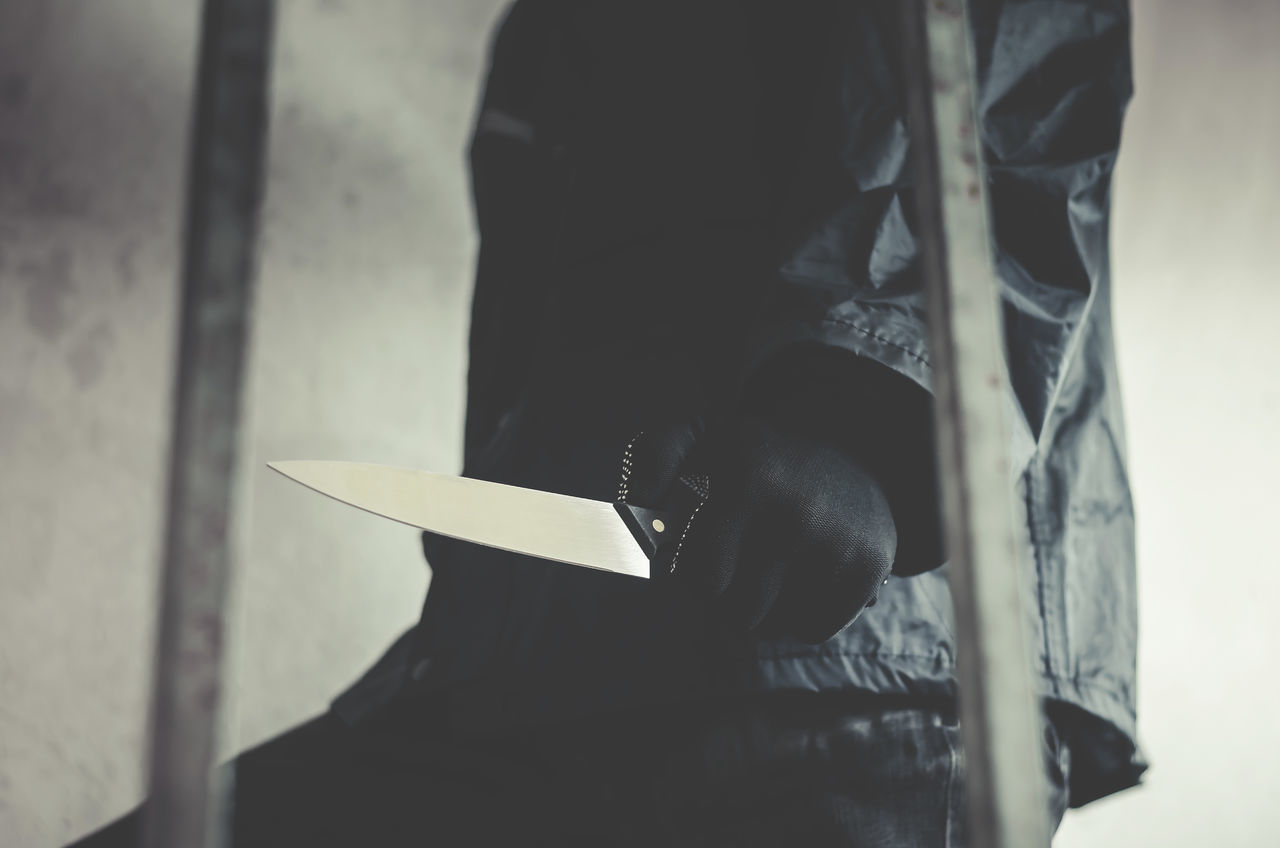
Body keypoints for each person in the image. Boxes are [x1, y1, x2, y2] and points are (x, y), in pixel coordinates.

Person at [73, 0, 1145, 844]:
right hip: (534, 675)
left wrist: (861, 424)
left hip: (854, 673)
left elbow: (1007, 75)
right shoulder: (552, 33)